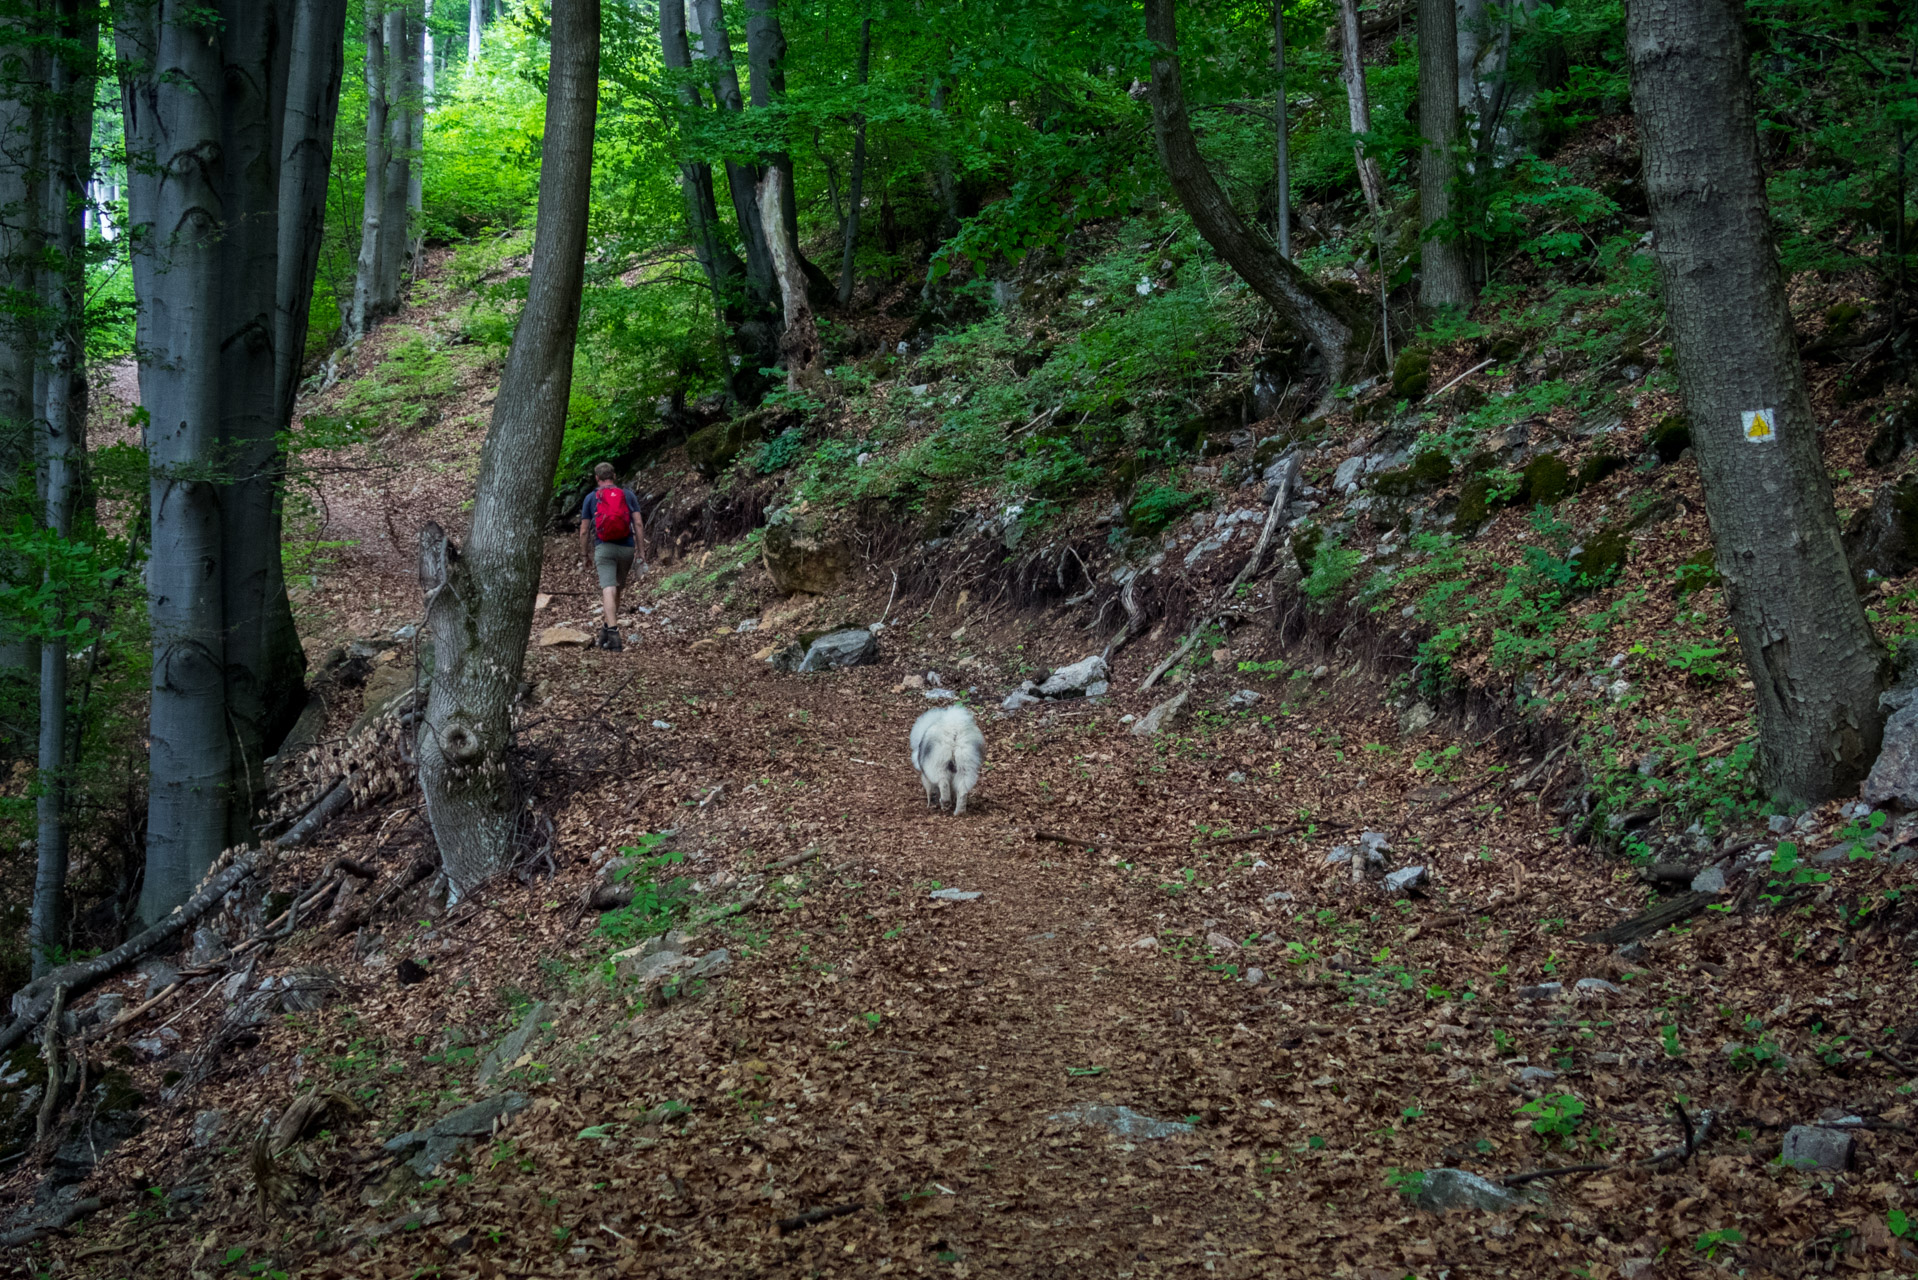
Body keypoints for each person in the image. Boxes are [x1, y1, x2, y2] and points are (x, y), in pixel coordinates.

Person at [579, 463, 647, 651]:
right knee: (617, 589)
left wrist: (584, 554)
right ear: (614, 476)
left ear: (597, 478)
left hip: (604, 548)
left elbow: (584, 531)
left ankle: (614, 634)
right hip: (626, 548)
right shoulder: (627, 495)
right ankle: (606, 631)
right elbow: (638, 524)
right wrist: (641, 551)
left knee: (608, 588)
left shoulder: (591, 498)